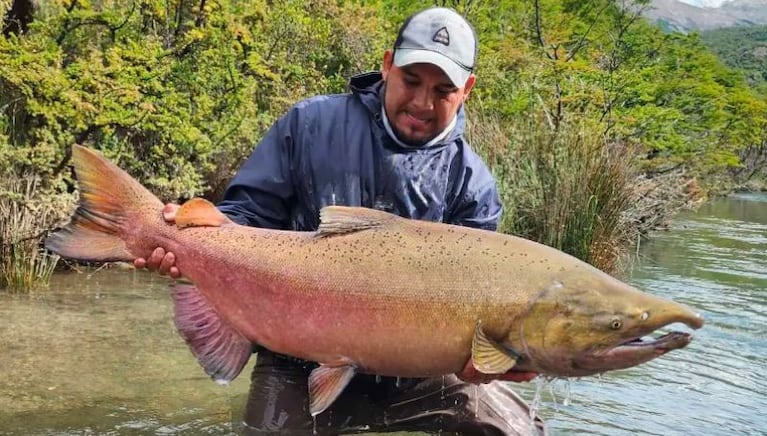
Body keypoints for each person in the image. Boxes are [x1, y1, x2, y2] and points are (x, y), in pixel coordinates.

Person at [135, 6, 547, 436]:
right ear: (388, 66)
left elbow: (481, 304)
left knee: (513, 429)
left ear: (467, 90)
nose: (423, 102)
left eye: (443, 90)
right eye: (411, 81)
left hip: (419, 372)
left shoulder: (472, 183)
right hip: (300, 353)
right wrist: (185, 242)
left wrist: (495, 357)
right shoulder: (310, 125)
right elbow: (246, 218)